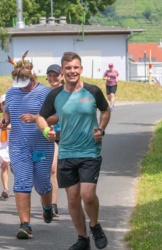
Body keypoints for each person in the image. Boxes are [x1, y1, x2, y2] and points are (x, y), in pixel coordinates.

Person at [37, 52, 111, 250]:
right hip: (67, 153)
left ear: (81, 69)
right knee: (72, 198)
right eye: (68, 68)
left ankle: (95, 226)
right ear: (62, 71)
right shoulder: (55, 95)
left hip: (90, 151)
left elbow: (105, 110)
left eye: (75, 67)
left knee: (87, 195)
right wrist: (46, 132)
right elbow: (40, 118)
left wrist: (101, 129)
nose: (72, 71)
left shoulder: (92, 91)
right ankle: (82, 238)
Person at [3, 51, 55, 239]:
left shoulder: (45, 93)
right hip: (18, 145)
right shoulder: (11, 92)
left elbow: (54, 117)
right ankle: (25, 225)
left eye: (25, 83)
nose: (22, 88)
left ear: (32, 76)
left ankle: (47, 206)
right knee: (22, 181)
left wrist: (35, 118)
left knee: (42, 184)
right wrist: (4, 122)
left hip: (41, 145)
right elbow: (6, 113)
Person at [46, 64, 62, 217]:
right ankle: (52, 204)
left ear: (61, 76)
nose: (52, 78)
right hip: (50, 137)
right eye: (49, 75)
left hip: (67, 137)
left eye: (55, 75)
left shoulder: (66, 93)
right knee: (52, 170)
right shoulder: (43, 94)